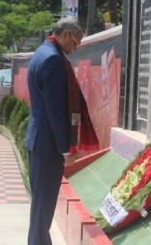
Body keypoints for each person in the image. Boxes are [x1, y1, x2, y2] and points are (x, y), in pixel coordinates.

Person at [24, 16, 99, 245]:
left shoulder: (42, 52)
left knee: (41, 205)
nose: (75, 49)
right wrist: (67, 148)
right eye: (75, 42)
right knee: (43, 206)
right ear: (64, 34)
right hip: (48, 144)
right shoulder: (54, 60)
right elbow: (56, 110)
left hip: (40, 140)